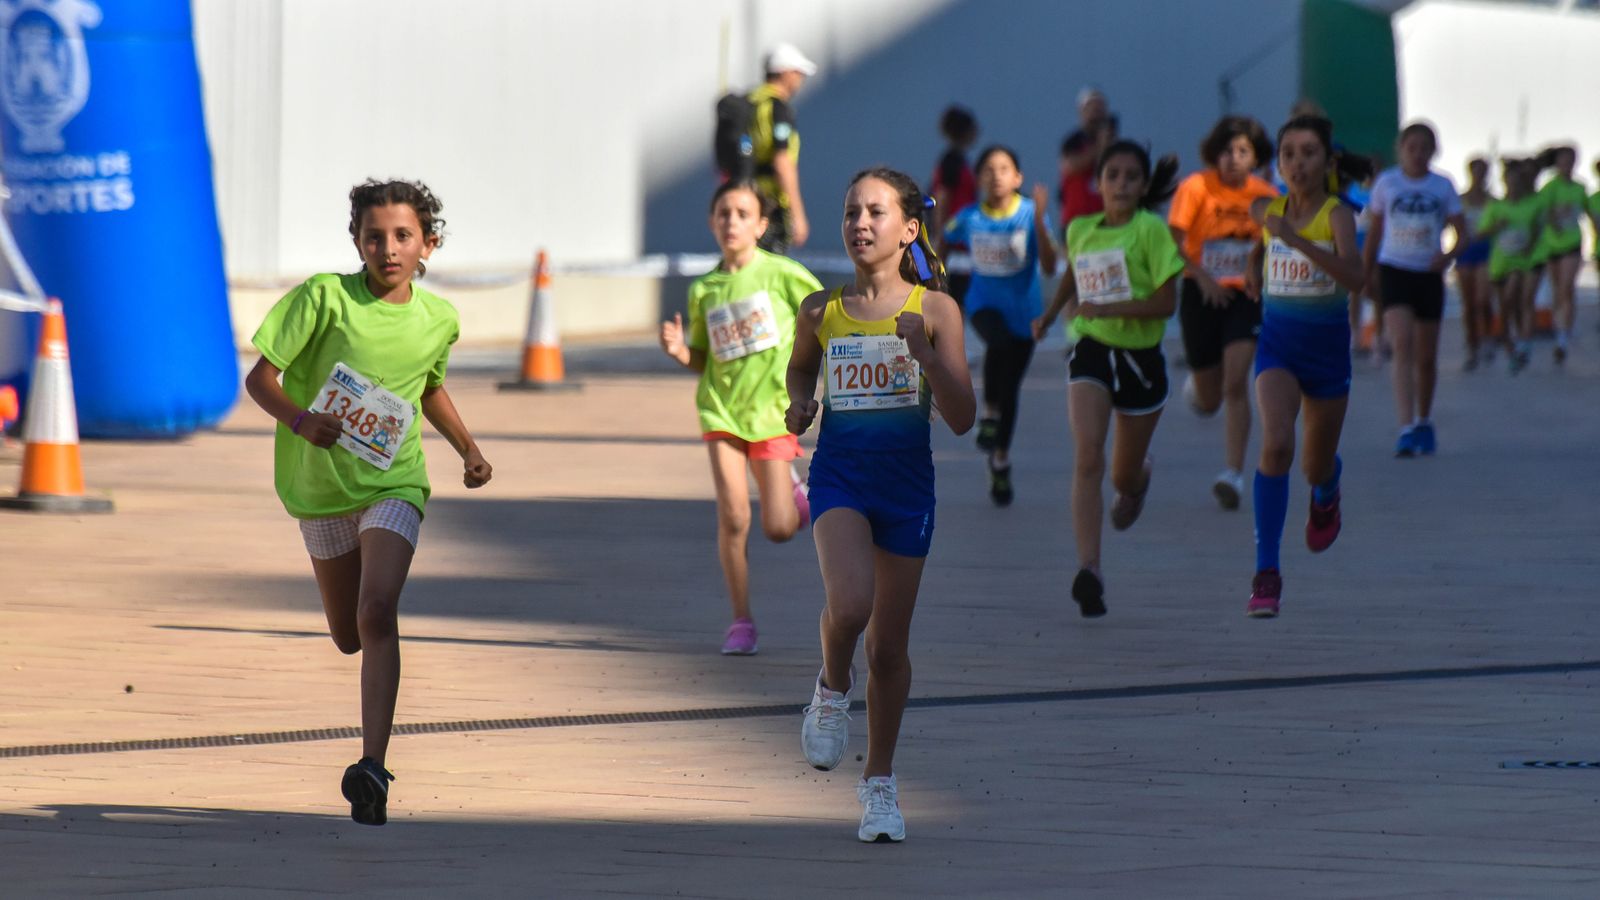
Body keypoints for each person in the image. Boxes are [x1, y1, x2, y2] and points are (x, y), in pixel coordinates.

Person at [243, 179, 492, 825]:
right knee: (350, 634)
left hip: (394, 483)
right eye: (374, 236)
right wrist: (301, 421)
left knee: (378, 611)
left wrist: (467, 448)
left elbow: (428, 386)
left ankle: (372, 766)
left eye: (403, 236)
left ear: (427, 244)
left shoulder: (440, 319)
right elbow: (260, 378)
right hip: (319, 490)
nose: (388, 248)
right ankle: (369, 719)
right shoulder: (323, 299)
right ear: (355, 241)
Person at [785, 168, 974, 843]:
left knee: (890, 649)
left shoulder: (936, 311)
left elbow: (961, 418)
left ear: (909, 229)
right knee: (852, 605)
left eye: (875, 212)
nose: (860, 224)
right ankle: (832, 687)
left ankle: (881, 787)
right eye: (850, 212)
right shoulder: (820, 309)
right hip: (840, 478)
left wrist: (924, 353)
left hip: (907, 491)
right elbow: (801, 365)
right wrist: (799, 402)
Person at [659, 181, 820, 655]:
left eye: (742, 214)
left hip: (772, 414)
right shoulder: (704, 289)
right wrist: (680, 351)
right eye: (724, 213)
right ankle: (741, 621)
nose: (732, 222)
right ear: (712, 222)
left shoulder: (784, 275)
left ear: (761, 225)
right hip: (721, 411)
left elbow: (825, 315)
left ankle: (795, 493)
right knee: (733, 516)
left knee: (777, 526)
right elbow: (705, 359)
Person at [1034, 142, 1183, 618]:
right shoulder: (1080, 229)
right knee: (1088, 455)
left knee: (1121, 473)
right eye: (1112, 175)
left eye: (1131, 176)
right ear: (1098, 183)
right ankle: (1090, 570)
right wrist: (1050, 315)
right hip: (1092, 349)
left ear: (1143, 187)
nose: (1120, 183)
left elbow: (1166, 303)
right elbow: (1074, 277)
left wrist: (1113, 307)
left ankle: (1138, 482)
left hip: (1141, 360)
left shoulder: (1151, 231)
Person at [1243, 116, 1365, 618]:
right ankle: (1266, 572)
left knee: (1314, 464)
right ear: (1279, 163)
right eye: (1288, 153)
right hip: (1277, 349)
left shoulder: (1337, 216)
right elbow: (1263, 235)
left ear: (1327, 163)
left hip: (1327, 356)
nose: (1297, 163)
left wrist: (1296, 241)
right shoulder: (1268, 210)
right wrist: (1256, 261)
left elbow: (1355, 277)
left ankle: (1328, 487)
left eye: (1309, 152)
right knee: (1275, 444)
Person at [1168, 115, 1278, 509]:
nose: (1233, 158)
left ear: (1255, 158)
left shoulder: (1264, 194)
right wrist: (1203, 278)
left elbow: (1272, 243)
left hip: (1244, 296)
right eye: (1227, 150)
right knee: (1211, 397)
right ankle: (1199, 389)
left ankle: (1232, 473)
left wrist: (1255, 269)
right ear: (1215, 153)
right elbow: (1176, 241)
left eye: (1243, 152)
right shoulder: (1195, 187)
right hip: (1200, 292)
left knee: (1236, 384)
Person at [942, 145, 1057, 506]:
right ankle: (988, 415)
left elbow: (1052, 266)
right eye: (988, 169)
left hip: (1026, 313)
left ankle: (1000, 459)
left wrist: (1040, 221)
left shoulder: (1028, 214)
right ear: (978, 178)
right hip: (982, 303)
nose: (996, 176)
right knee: (997, 343)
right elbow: (943, 238)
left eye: (1004, 168)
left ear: (1018, 178)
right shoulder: (969, 216)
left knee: (1012, 387)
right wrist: (935, 277)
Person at [1363, 122, 1467, 458]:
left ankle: (1424, 419)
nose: (1418, 153)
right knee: (1402, 345)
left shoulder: (1442, 186)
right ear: (1401, 149)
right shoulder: (1387, 183)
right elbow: (1375, 232)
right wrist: (1366, 273)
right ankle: (1405, 427)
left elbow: (1462, 233)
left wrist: (1447, 255)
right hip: (1395, 269)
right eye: (1412, 147)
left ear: (1433, 151)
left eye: (1425, 147)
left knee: (1425, 358)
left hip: (1428, 274)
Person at [1476, 158, 1544, 373]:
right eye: (1510, 182)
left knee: (1519, 298)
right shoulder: (1496, 207)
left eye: (1517, 182)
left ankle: (1524, 343)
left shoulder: (1532, 204)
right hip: (1500, 263)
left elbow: (1538, 229)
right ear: (1505, 183)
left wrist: (1532, 245)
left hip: (1522, 262)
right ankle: (1507, 342)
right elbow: (1480, 234)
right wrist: (1496, 227)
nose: (1514, 186)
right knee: (1505, 306)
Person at [749, 43, 817, 254]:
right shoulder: (778, 108)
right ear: (785, 72)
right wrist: (798, 215)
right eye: (798, 73)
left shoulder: (751, 103)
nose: (800, 79)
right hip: (771, 203)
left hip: (748, 198)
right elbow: (782, 162)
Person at [1531, 145, 1586, 363]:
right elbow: (1542, 212)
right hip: (1552, 244)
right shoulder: (1550, 187)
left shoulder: (1580, 188)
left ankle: (1563, 336)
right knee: (1557, 290)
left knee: (1566, 287)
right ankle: (1558, 328)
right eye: (1563, 160)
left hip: (1572, 243)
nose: (1567, 164)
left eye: (1571, 159)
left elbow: (1589, 213)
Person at [928, 105, 979, 305]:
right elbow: (943, 199)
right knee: (951, 299)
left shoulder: (961, 160)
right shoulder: (951, 161)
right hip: (952, 243)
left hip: (962, 243)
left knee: (961, 298)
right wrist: (942, 240)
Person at [1057, 87, 1119, 236]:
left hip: (1106, 218)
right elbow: (1070, 166)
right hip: (1077, 218)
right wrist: (1099, 146)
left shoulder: (1113, 144)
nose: (1097, 115)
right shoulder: (1074, 141)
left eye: (1100, 109)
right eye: (1092, 109)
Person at [1454, 157, 1495, 370]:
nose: (1479, 175)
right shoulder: (1460, 200)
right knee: (1468, 303)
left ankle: (1487, 335)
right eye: (1476, 171)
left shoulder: (1493, 201)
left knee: (1482, 299)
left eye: (1483, 171)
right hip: (1464, 251)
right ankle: (1472, 344)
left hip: (1486, 252)